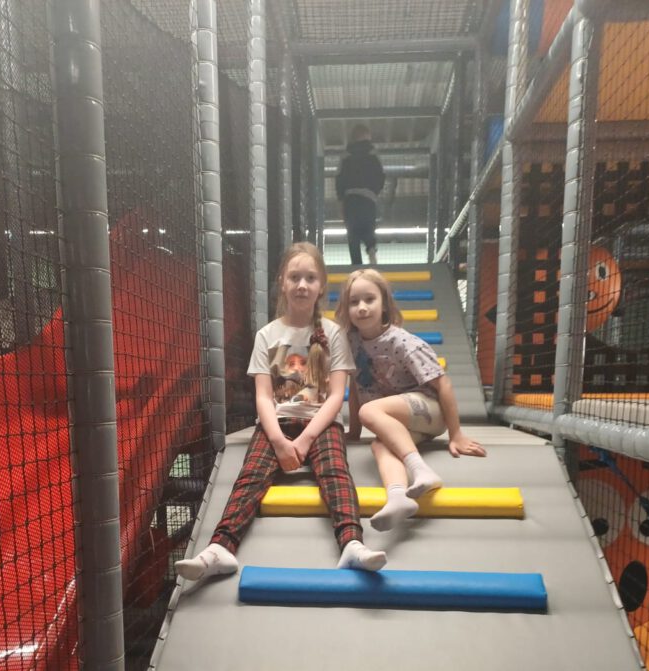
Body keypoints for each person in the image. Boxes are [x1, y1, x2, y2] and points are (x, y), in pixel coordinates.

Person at [175, 243, 387, 582]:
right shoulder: (267, 335)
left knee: (336, 473)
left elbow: (336, 396)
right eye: (294, 277)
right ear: (282, 283)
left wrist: (305, 440)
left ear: (321, 286)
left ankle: (352, 543)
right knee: (250, 477)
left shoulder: (333, 333)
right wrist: (277, 440)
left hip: (320, 423)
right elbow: (263, 396)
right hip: (277, 421)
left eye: (310, 278)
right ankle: (220, 548)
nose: (302, 285)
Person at [336, 268, 487, 532]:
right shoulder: (352, 343)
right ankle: (397, 497)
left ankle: (421, 470)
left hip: (429, 410)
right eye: (354, 301)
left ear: (384, 304)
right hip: (401, 420)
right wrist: (355, 432)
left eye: (369, 299)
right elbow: (357, 386)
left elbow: (443, 384)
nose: (362, 307)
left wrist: (456, 434)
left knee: (369, 411)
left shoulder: (402, 342)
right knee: (381, 446)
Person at [335, 124, 385, 268]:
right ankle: (371, 249)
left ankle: (356, 264)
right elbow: (381, 175)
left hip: (350, 198)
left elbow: (339, 179)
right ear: (366, 136)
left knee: (352, 233)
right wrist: (375, 191)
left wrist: (341, 201)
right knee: (368, 227)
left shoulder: (345, 155)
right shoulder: (373, 153)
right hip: (368, 198)